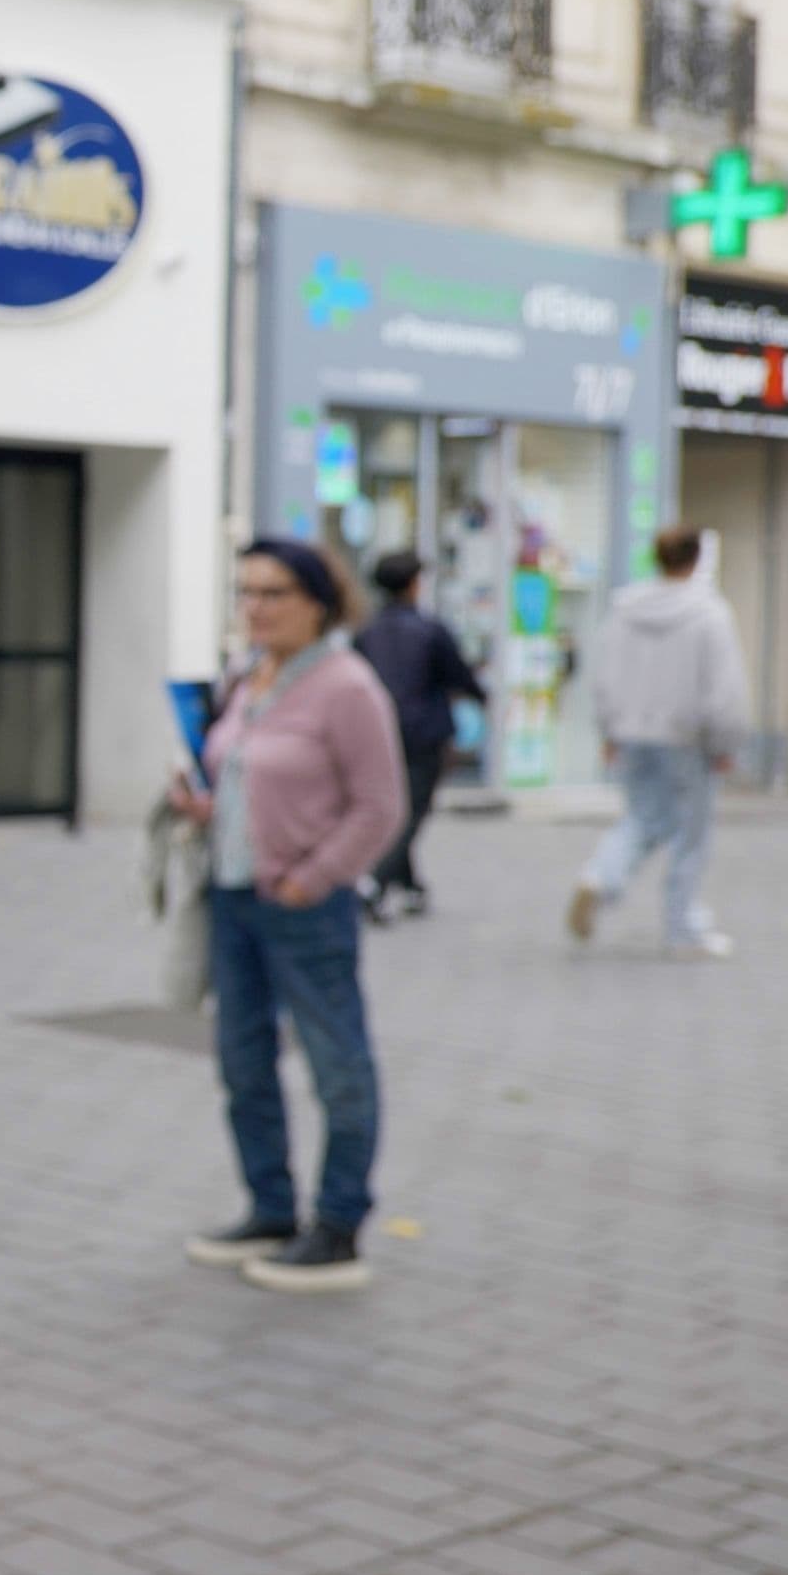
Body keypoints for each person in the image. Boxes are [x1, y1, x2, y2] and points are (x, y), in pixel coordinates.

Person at [173, 542, 407, 1295]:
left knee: (337, 1064)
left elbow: (380, 806)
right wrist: (207, 810)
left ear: (319, 600)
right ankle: (270, 1209)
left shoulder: (346, 687)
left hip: (303, 905)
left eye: (274, 593)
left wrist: (316, 877)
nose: (257, 607)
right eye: (246, 592)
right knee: (243, 1063)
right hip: (233, 895)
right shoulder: (250, 675)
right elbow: (247, 773)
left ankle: (338, 1224)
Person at [568, 522, 751, 958]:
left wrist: (609, 728)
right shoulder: (710, 614)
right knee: (691, 835)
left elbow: (605, 675)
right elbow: (723, 688)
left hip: (633, 733)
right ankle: (681, 927)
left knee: (643, 818)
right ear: (696, 559)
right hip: (687, 738)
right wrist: (726, 742)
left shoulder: (624, 609)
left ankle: (600, 876)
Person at [352, 550, 483, 919]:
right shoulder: (430, 630)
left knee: (399, 806)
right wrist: (482, 698)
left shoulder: (366, 632)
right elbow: (460, 676)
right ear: (413, 585)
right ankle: (374, 883)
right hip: (424, 734)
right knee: (408, 812)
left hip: (378, 732)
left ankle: (410, 887)